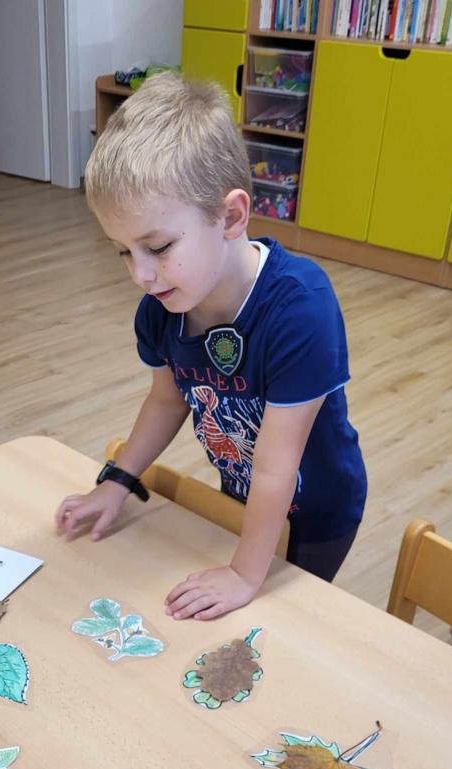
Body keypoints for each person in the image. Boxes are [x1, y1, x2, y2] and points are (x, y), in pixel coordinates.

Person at [55, 72, 367, 622]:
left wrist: (245, 574)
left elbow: (276, 469)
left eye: (157, 247)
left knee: (282, 627)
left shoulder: (301, 308)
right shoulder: (162, 308)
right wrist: (118, 481)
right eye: (122, 252)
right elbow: (166, 399)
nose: (140, 274)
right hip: (242, 492)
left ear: (231, 216)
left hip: (316, 512)